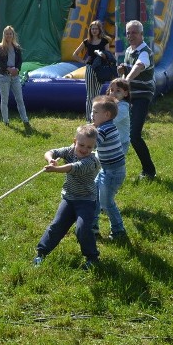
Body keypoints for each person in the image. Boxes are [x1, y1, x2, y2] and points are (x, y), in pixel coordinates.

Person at [33, 124, 101, 270]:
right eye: (81, 145)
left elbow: (73, 167)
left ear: (93, 147)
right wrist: (50, 159)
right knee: (57, 225)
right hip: (69, 198)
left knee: (83, 229)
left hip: (86, 201)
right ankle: (41, 252)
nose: (84, 149)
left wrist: (56, 169)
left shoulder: (91, 161)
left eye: (89, 147)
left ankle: (92, 257)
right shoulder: (70, 150)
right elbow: (51, 151)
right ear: (75, 141)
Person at [117, 19, 157, 180]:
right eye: (128, 33)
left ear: (141, 34)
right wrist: (122, 70)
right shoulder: (128, 50)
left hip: (141, 97)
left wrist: (127, 78)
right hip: (130, 97)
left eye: (134, 32)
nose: (131, 35)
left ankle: (149, 171)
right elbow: (129, 67)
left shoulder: (145, 51)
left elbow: (139, 66)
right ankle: (113, 166)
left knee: (134, 135)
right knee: (121, 132)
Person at [90, 96, 127, 240]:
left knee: (106, 203)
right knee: (94, 197)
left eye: (95, 112)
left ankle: (118, 230)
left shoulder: (105, 130)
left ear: (107, 115)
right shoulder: (104, 126)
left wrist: (78, 145)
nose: (92, 114)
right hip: (105, 170)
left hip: (113, 172)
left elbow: (91, 144)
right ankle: (92, 228)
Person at [72, 20, 114, 122]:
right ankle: (88, 119)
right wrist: (83, 61)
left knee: (97, 94)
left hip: (101, 70)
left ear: (100, 30)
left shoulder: (105, 41)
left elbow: (108, 56)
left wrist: (102, 54)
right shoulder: (87, 41)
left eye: (96, 28)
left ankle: (96, 118)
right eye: (92, 28)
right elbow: (74, 54)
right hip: (90, 68)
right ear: (90, 30)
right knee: (90, 95)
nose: (94, 30)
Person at [0, 25, 30, 126]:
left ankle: (25, 120)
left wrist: (17, 69)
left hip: (15, 76)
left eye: (10, 33)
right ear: (4, 35)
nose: (9, 35)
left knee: (19, 98)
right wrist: (8, 69)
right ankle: (6, 121)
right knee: (5, 99)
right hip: (3, 76)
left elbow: (19, 61)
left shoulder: (17, 47)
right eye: (7, 33)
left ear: (13, 35)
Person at [107, 78, 131, 157]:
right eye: (112, 90)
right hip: (108, 141)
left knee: (116, 165)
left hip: (121, 143)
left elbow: (110, 120)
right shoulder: (107, 105)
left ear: (125, 93)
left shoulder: (123, 108)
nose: (113, 93)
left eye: (118, 91)